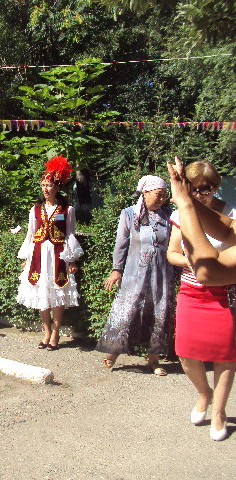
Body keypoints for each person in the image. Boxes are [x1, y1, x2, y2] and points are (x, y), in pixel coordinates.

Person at [167, 157, 236, 441]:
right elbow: (224, 230)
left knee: (226, 357)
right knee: (185, 351)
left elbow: (209, 270)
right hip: (191, 293)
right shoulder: (220, 219)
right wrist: (184, 197)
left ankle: (218, 412)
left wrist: (184, 202)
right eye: (195, 189)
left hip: (223, 296)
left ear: (216, 187)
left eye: (205, 188)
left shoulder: (231, 212)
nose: (200, 194)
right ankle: (204, 394)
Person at [96, 175, 173, 375]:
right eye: (159, 194)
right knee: (127, 310)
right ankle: (112, 353)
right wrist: (116, 270)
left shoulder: (168, 216)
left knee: (159, 313)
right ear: (145, 193)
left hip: (161, 275)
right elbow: (121, 244)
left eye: (164, 195)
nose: (162, 199)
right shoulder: (130, 214)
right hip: (134, 274)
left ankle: (153, 361)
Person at [16, 155, 83, 351]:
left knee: (57, 293)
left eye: (49, 185)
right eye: (43, 185)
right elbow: (30, 235)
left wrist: (72, 259)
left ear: (57, 187)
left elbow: (69, 234)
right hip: (38, 255)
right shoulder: (35, 210)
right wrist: (26, 258)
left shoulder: (67, 209)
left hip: (57, 255)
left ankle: (55, 333)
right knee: (41, 293)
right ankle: (45, 331)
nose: (45, 189)